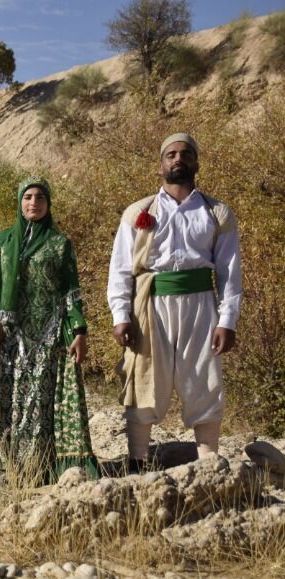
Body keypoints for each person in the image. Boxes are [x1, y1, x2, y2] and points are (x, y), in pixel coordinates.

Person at [108, 133, 241, 471]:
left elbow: (229, 272)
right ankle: (137, 461)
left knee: (204, 377)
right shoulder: (138, 212)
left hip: (201, 306)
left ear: (195, 162)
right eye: (171, 155)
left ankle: (208, 464)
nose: (177, 159)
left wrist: (227, 321)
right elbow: (121, 268)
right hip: (150, 305)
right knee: (145, 377)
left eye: (184, 154)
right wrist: (121, 315)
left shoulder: (216, 213)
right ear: (161, 165)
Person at [0, 177, 98, 484]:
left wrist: (78, 330)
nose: (33, 202)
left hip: (47, 336)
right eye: (28, 197)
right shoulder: (3, 242)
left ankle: (40, 467)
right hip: (9, 334)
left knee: (40, 401)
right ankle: (6, 464)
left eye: (40, 197)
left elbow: (71, 292)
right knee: (8, 396)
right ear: (19, 201)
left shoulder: (59, 244)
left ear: (48, 204)